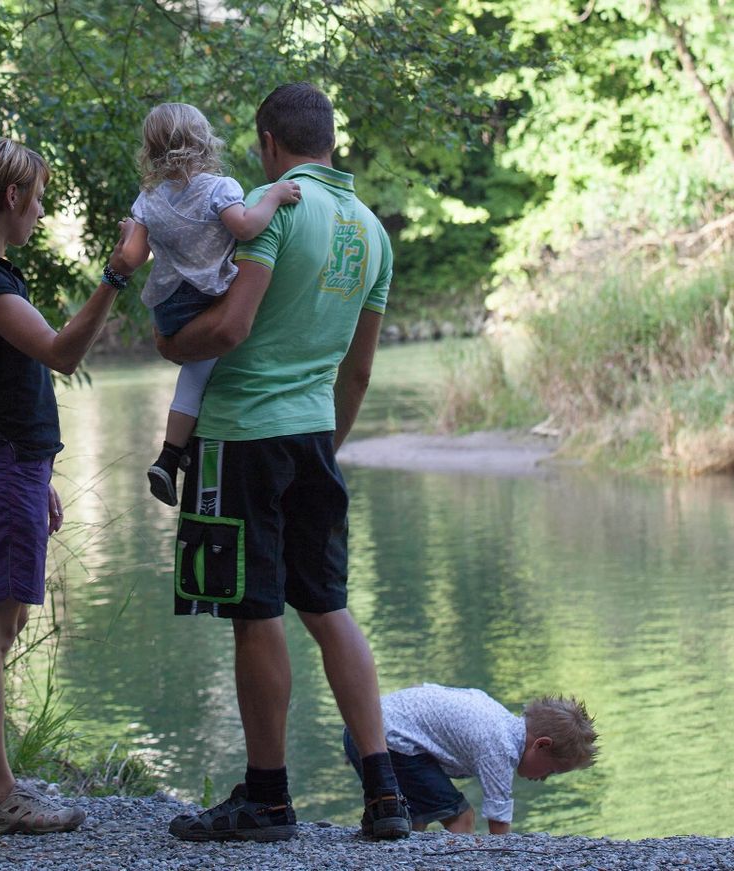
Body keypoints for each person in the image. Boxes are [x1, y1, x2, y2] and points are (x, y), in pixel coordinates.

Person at [153, 83, 412, 842]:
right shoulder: (372, 232)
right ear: (331, 140)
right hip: (312, 435)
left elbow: (229, 328)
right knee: (327, 602)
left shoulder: (274, 204)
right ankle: (386, 790)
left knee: (253, 610)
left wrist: (170, 346)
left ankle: (266, 798)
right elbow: (356, 374)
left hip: (239, 436)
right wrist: (323, 447)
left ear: (269, 140)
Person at [0, 136, 136, 837]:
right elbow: (60, 352)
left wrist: (37, 472)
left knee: (5, 621)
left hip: (13, 463)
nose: (41, 211)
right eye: (39, 197)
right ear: (15, 197)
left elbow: (11, 381)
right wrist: (116, 273)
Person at [115, 102, 301, 506]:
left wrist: (130, 230)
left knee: (196, 373)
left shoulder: (148, 198)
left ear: (151, 151)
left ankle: (171, 454)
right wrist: (273, 196)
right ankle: (174, 453)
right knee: (209, 367)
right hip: (206, 296)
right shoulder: (220, 188)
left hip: (167, 308)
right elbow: (247, 226)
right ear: (204, 142)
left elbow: (131, 258)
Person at [343, 685, 598, 834]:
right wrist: (503, 859)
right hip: (384, 739)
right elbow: (499, 816)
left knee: (415, 814)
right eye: (550, 771)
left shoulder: (499, 719)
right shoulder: (500, 747)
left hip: (367, 728)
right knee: (461, 816)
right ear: (541, 745)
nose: (542, 778)